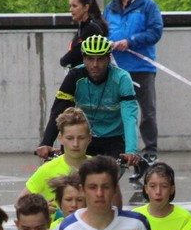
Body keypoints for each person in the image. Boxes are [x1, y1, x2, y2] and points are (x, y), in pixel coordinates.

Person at [37, 36, 139, 168]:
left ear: (109, 59)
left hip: (114, 139)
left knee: (107, 180)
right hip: (84, 137)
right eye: (90, 59)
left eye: (100, 59)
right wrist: (47, 142)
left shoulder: (122, 78)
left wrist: (131, 151)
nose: (95, 65)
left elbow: (129, 117)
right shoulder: (74, 76)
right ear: (83, 59)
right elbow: (59, 110)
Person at [104, 0, 164, 172]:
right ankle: (120, 150)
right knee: (116, 110)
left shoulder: (147, 6)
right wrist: (107, 44)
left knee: (147, 112)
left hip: (141, 67)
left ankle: (150, 152)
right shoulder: (109, 8)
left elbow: (155, 31)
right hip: (117, 68)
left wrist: (130, 41)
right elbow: (103, 31)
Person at [23, 107, 91, 203]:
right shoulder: (47, 170)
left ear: (89, 138)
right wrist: (42, 208)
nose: (75, 144)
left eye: (81, 138)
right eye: (70, 138)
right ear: (61, 138)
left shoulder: (99, 168)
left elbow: (114, 206)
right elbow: (20, 203)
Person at [61, 0, 109, 69]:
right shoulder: (83, 26)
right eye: (70, 6)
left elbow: (78, 51)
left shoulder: (92, 28)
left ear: (86, 8)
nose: (71, 10)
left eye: (74, 6)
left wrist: (64, 60)